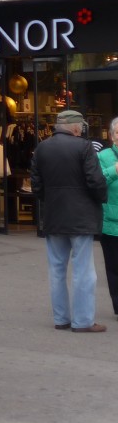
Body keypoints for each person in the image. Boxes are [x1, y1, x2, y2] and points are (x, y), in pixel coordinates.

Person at [31, 109, 108, 333]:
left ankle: (61, 319)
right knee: (83, 270)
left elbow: (36, 185)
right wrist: (101, 198)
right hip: (81, 217)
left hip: (54, 216)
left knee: (56, 269)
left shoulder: (41, 148)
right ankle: (83, 321)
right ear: (75, 127)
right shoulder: (83, 146)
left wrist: (51, 200)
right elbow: (95, 181)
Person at [98, 117, 118, 321]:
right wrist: (114, 170)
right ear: (112, 136)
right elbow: (95, 181)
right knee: (114, 268)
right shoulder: (103, 156)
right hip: (111, 223)